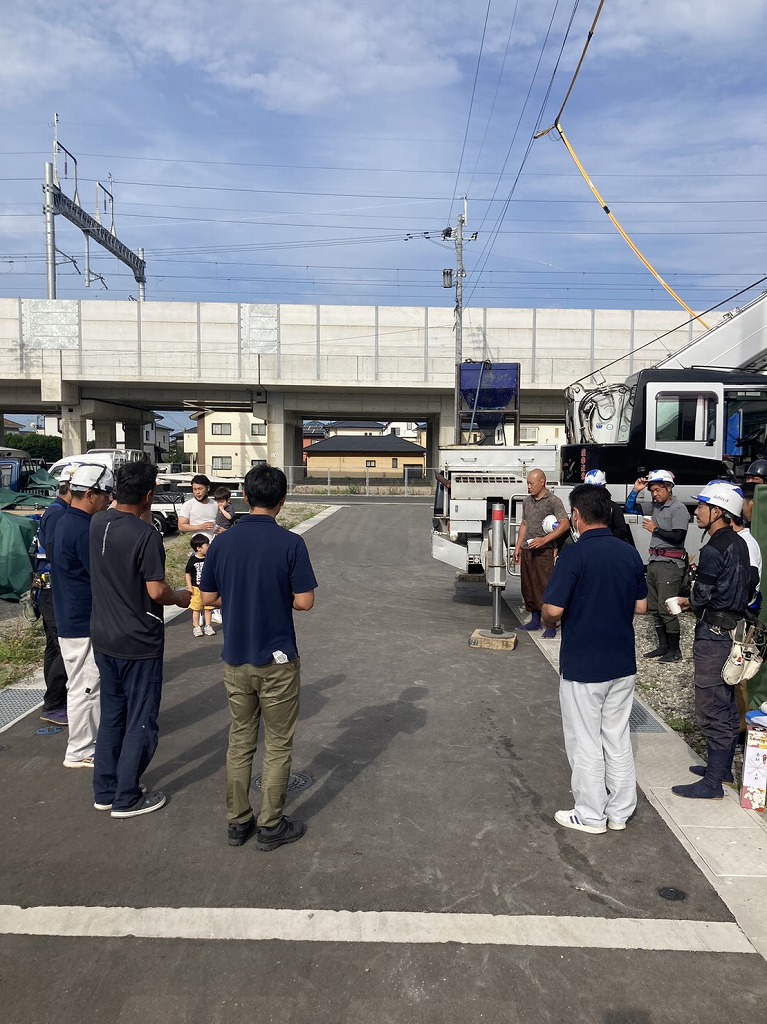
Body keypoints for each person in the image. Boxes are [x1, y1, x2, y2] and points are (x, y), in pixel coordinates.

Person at [200, 464, 318, 851]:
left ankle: (237, 822)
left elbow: (210, 597)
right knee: (278, 744)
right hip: (278, 660)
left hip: (235, 658)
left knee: (240, 741)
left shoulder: (221, 543)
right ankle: (270, 825)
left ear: (245, 498)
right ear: (282, 502)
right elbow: (304, 602)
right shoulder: (290, 544)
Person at [542, 484, 648, 834]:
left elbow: (553, 610)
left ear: (576, 515)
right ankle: (620, 811)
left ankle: (590, 814)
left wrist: (548, 618)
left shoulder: (574, 555)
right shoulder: (629, 553)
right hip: (622, 662)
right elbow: (641, 606)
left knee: (585, 740)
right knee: (616, 737)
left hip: (584, 664)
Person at [89, 462, 191, 818]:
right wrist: (179, 596)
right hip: (138, 639)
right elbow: (156, 590)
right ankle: (127, 796)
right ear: (149, 495)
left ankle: (106, 789)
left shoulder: (98, 520)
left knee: (113, 715)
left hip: (103, 634)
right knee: (141, 720)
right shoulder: (146, 536)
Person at [672, 481, 752, 799]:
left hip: (714, 636)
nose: (697, 511)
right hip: (733, 632)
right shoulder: (740, 543)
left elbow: (701, 597)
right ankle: (720, 771)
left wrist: (690, 591)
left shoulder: (713, 549)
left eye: (702, 506)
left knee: (711, 706)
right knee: (727, 702)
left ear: (717, 511)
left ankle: (713, 784)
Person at [50, 464, 114, 768]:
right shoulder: (81, 529)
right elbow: (100, 575)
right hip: (81, 620)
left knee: (84, 683)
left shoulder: (65, 521)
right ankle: (81, 749)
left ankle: (87, 743)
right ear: (89, 494)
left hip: (71, 615)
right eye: (106, 494)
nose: (109, 500)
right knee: (86, 686)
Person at [625, 469, 689, 663]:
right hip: (654, 561)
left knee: (667, 607)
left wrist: (656, 529)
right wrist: (636, 490)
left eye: (658, 489)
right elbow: (630, 507)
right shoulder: (656, 507)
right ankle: (663, 646)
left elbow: (679, 536)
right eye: (652, 490)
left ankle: (674, 649)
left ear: (669, 488)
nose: (654, 494)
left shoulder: (678, 509)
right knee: (654, 607)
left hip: (670, 563)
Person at [35, 468, 74, 726]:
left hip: (45, 588)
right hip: (52, 588)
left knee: (53, 645)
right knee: (62, 646)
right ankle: (55, 703)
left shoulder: (53, 510)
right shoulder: (59, 514)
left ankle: (54, 701)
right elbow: (55, 554)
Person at [513, 469, 569, 638]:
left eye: (531, 483)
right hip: (528, 548)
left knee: (545, 586)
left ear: (542, 482)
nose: (528, 486)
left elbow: (564, 524)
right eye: (527, 483)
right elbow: (524, 523)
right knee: (528, 586)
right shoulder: (527, 502)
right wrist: (518, 546)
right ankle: (535, 620)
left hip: (544, 551)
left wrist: (545, 540)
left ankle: (551, 624)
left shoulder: (553, 501)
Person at [583, 469, 634, 545]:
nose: (592, 493)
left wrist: (605, 540)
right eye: (589, 490)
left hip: (609, 545)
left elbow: (622, 530)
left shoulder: (613, 507)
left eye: (596, 489)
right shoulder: (581, 506)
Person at [185, 534, 216, 637]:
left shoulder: (209, 558)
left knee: (208, 608)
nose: (209, 547)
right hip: (196, 589)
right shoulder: (192, 560)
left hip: (208, 588)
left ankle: (208, 625)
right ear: (199, 548)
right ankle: (197, 627)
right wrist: (189, 587)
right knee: (197, 608)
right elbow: (188, 574)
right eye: (206, 545)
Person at [177, 474, 217, 541]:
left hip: (216, 544)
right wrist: (200, 527)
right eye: (194, 489)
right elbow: (181, 526)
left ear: (208, 488)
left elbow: (224, 522)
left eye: (200, 489)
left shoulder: (215, 504)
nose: (197, 492)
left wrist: (223, 530)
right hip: (199, 547)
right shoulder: (188, 505)